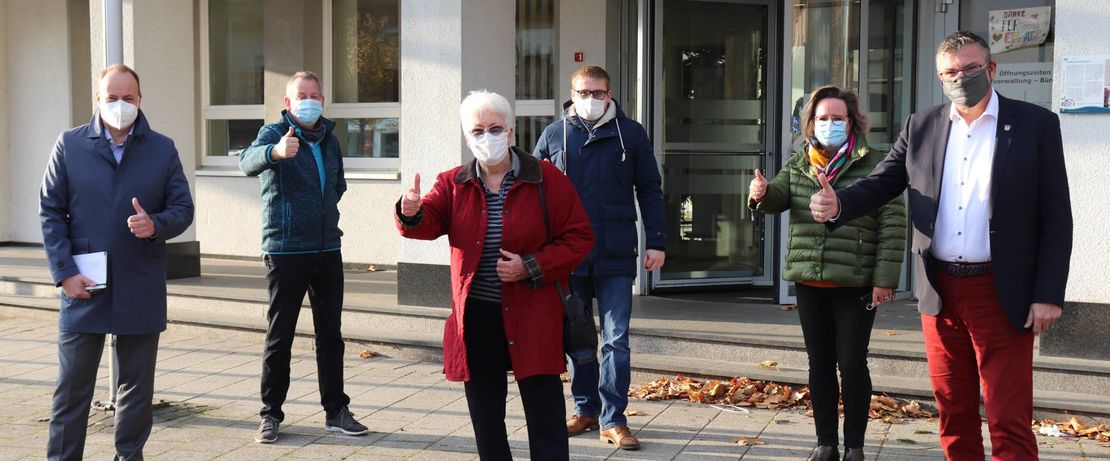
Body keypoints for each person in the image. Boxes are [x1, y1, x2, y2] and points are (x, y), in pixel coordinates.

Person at [810, 31, 1072, 461]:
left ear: (991, 69)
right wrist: (838, 202)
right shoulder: (922, 125)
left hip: (1001, 290)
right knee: (953, 412)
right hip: (940, 290)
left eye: (970, 69)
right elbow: (881, 184)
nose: (961, 78)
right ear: (939, 77)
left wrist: (1048, 295)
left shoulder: (1035, 125)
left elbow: (1056, 216)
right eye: (950, 72)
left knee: (1008, 416)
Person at [396, 90, 593, 460]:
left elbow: (580, 237)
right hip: (477, 318)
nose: (488, 137)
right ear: (467, 137)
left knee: (545, 415)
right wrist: (410, 211)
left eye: (495, 128)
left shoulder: (546, 179)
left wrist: (529, 265)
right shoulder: (453, 183)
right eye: (478, 131)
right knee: (486, 420)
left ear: (512, 132)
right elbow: (426, 223)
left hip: (533, 313)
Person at [40, 64, 195, 460]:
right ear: (98, 99)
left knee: (136, 390)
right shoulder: (70, 144)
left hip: (140, 281)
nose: (120, 105)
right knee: (72, 388)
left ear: (140, 101)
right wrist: (64, 273)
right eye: (111, 98)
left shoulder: (162, 148)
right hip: (83, 284)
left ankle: (129, 456)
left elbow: (182, 208)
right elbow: (51, 211)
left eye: (128, 98)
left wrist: (155, 224)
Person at [750, 86, 905, 461]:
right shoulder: (800, 161)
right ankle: (825, 444)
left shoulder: (876, 163)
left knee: (852, 363)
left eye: (838, 118)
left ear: (852, 122)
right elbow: (778, 198)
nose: (830, 124)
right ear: (811, 123)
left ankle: (855, 445)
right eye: (823, 118)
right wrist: (759, 192)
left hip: (855, 280)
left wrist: (884, 278)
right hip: (811, 279)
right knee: (819, 364)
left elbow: (893, 223)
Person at [533, 65, 666, 451]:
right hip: (568, 256)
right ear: (572, 95)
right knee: (577, 339)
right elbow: (533, 193)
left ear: (610, 95)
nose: (591, 99)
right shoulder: (554, 135)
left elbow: (650, 190)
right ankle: (586, 409)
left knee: (616, 340)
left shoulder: (631, 133)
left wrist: (656, 240)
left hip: (615, 252)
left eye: (599, 92)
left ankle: (614, 418)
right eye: (583, 92)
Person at [239, 71, 367, 443]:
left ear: (322, 100)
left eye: (315, 94)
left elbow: (337, 185)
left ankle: (336, 411)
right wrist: (275, 153)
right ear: (288, 103)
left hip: (327, 248)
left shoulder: (329, 139)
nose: (309, 100)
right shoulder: (272, 134)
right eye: (301, 95)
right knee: (280, 336)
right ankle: (270, 414)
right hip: (285, 250)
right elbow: (246, 162)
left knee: (331, 335)